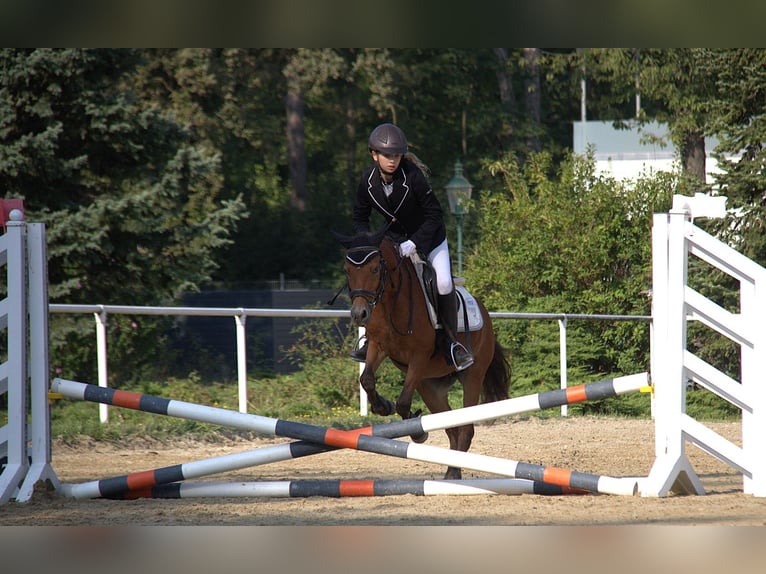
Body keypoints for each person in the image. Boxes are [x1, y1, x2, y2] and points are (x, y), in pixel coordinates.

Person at [349, 122, 474, 371]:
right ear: (374, 155)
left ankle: (451, 344)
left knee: (443, 283)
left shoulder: (413, 177)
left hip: (430, 237)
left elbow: (435, 215)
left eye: (396, 155)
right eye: (386, 156)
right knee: (376, 279)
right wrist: (366, 242)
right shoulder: (367, 181)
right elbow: (359, 217)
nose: (392, 161)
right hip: (394, 239)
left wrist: (415, 242)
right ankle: (369, 339)